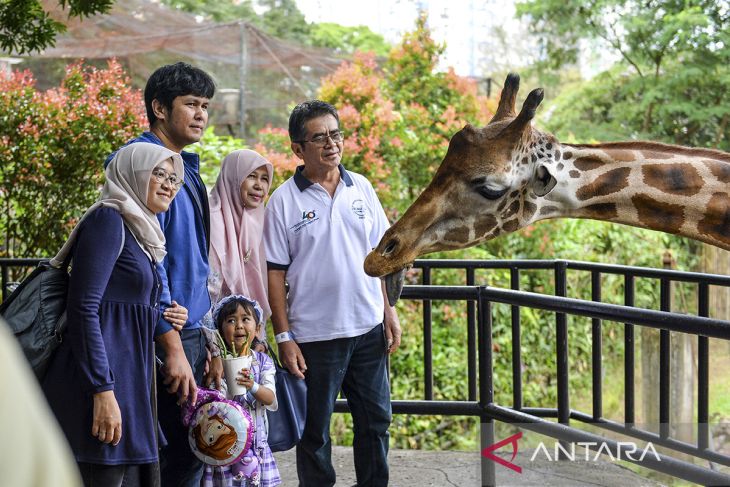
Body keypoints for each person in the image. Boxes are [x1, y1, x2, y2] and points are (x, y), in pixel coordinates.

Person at [264, 100, 402, 487]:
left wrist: (388, 311)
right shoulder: (283, 202)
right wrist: (284, 335)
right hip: (314, 338)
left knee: (376, 421)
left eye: (336, 134)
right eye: (319, 137)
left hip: (367, 330)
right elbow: (275, 276)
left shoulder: (362, 188)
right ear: (298, 149)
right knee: (315, 432)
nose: (331, 143)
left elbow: (381, 258)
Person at [43, 143, 185, 486]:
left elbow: (126, 303)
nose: (169, 184)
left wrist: (163, 313)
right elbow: (84, 308)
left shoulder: (143, 232)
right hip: (101, 383)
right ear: (133, 175)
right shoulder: (109, 219)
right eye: (159, 174)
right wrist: (102, 391)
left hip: (129, 381)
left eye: (174, 178)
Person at [106, 62, 218, 486]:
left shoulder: (184, 167)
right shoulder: (142, 166)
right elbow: (147, 260)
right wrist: (170, 345)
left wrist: (207, 337)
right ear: (158, 107)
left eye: (205, 105)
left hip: (191, 332)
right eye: (191, 104)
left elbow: (193, 263)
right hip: (156, 336)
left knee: (192, 450)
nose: (201, 114)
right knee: (164, 455)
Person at [203, 294, 280, 487]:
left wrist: (252, 386)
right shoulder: (217, 365)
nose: (238, 325)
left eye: (246, 319)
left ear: (258, 329)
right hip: (224, 448)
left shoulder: (262, 362)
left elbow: (270, 398)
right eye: (230, 320)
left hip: (256, 445)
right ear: (220, 331)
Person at [207, 150, 274, 357]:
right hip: (211, 338)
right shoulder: (209, 217)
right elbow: (207, 287)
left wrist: (258, 337)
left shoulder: (259, 221)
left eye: (264, 179)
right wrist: (214, 347)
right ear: (233, 177)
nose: (259, 186)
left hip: (249, 340)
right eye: (251, 176)